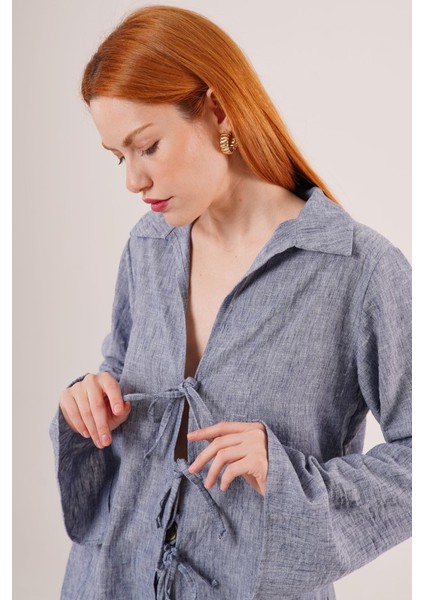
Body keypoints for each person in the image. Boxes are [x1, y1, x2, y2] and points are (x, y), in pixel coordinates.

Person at [50, 5, 411, 600]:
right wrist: (90, 398)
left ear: (218, 111)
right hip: (108, 580)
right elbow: (119, 373)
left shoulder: (359, 270)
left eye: (147, 146)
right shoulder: (149, 246)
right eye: (119, 156)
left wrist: (288, 476)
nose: (132, 181)